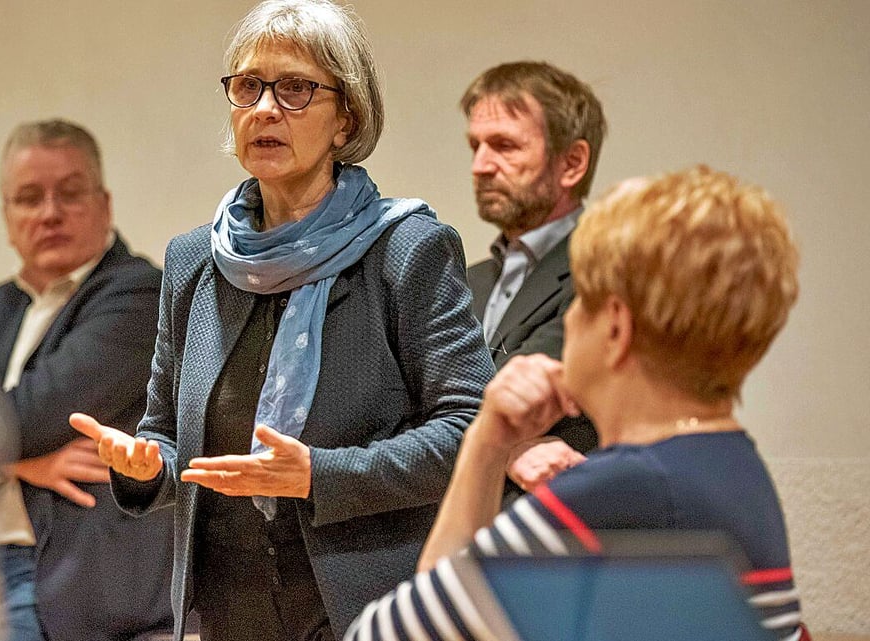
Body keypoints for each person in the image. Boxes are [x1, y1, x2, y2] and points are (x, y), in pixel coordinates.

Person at [69, 2, 494, 640]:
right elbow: (167, 437)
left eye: (295, 88)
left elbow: (470, 429)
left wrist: (321, 475)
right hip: (226, 610)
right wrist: (146, 466)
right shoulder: (194, 262)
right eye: (248, 87)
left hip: (364, 607)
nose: (265, 108)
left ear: (347, 117)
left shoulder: (406, 251)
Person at [344, 166, 809, 641]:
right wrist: (487, 444)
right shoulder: (738, 469)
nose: (568, 322)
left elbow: (388, 634)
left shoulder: (615, 494)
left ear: (615, 328)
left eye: (581, 300)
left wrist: (485, 444)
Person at [0, 119, 175, 641]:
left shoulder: (139, 293)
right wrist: (20, 464)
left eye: (70, 193)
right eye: (29, 198)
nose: (49, 213)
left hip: (73, 584)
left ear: (105, 204)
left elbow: (32, 416)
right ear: (8, 218)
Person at [462, 60, 607, 491]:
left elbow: (511, 405)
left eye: (504, 145)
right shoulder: (461, 281)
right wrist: (506, 449)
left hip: (553, 522)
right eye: (475, 146)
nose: (480, 165)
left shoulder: (606, 272)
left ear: (572, 163)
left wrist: (497, 441)